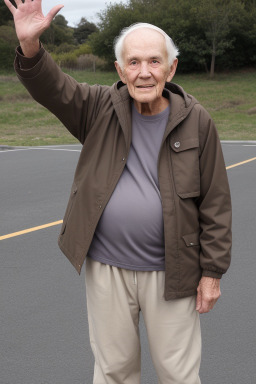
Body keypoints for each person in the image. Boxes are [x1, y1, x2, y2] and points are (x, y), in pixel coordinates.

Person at [5, 1, 232, 383]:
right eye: (134, 62)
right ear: (120, 69)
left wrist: (212, 273)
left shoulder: (197, 121)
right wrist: (31, 47)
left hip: (173, 271)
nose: (144, 73)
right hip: (107, 268)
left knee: (179, 373)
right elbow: (53, 88)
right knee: (114, 372)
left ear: (172, 68)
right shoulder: (97, 108)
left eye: (155, 61)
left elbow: (216, 203)